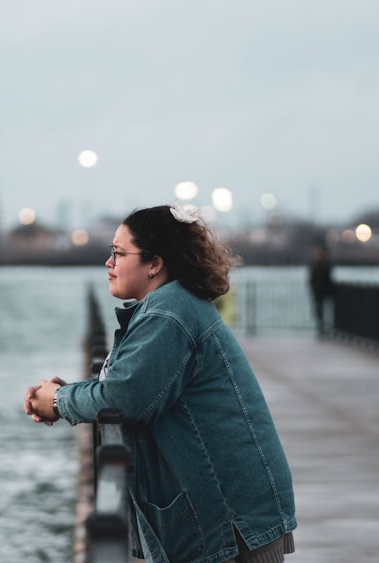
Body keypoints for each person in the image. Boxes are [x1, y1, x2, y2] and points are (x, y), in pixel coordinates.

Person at [23, 204, 297, 562]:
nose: (109, 263)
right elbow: (134, 381)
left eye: (119, 254)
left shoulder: (168, 313)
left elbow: (125, 398)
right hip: (237, 506)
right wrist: (69, 392)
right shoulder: (170, 305)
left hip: (232, 518)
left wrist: (60, 402)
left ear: (154, 263)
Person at [308, 245, 334, 335]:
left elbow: (312, 279)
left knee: (322, 310)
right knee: (322, 310)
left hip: (321, 291)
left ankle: (323, 328)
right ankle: (323, 328)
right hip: (321, 291)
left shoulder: (318, 265)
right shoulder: (325, 265)